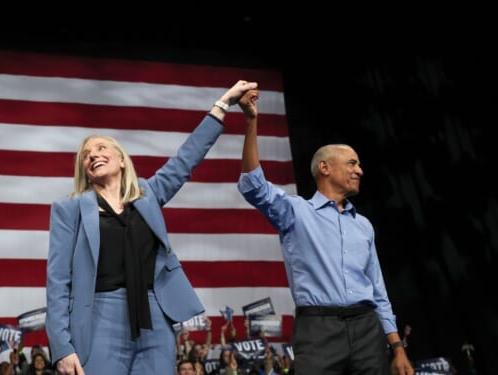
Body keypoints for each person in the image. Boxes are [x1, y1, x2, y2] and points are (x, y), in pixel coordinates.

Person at [46, 80, 257, 375]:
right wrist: (61, 346)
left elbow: (186, 159)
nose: (93, 154)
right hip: (99, 317)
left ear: (121, 160)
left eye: (101, 147)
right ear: (84, 169)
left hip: (154, 314)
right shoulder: (68, 209)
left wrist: (222, 105)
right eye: (86, 154)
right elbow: (57, 281)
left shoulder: (149, 194)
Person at [235, 87, 414, 374]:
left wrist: (397, 347)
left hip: (368, 329)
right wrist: (251, 120)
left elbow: (378, 290)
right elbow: (252, 185)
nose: (360, 171)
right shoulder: (296, 212)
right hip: (318, 331)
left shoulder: (363, 225)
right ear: (325, 168)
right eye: (352, 163)